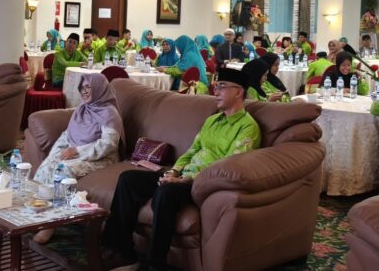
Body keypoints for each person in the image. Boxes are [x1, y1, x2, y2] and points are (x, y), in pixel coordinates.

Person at [102, 68, 260, 271]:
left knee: (165, 192)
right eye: (216, 86)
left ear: (239, 92)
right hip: (182, 177)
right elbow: (192, 150)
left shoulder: (247, 127)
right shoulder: (212, 120)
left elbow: (228, 167)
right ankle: (123, 252)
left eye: (222, 87)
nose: (216, 91)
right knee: (129, 179)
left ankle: (155, 264)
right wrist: (173, 172)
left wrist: (185, 179)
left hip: (202, 183)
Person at [34, 73, 124, 244]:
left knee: (63, 171)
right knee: (47, 166)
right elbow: (67, 135)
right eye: (82, 88)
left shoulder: (109, 113)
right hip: (79, 153)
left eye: (88, 87)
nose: (84, 91)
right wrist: (54, 156)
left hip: (102, 158)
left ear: (99, 88)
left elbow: (109, 144)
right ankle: (38, 210)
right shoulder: (83, 109)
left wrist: (77, 151)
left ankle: (51, 222)